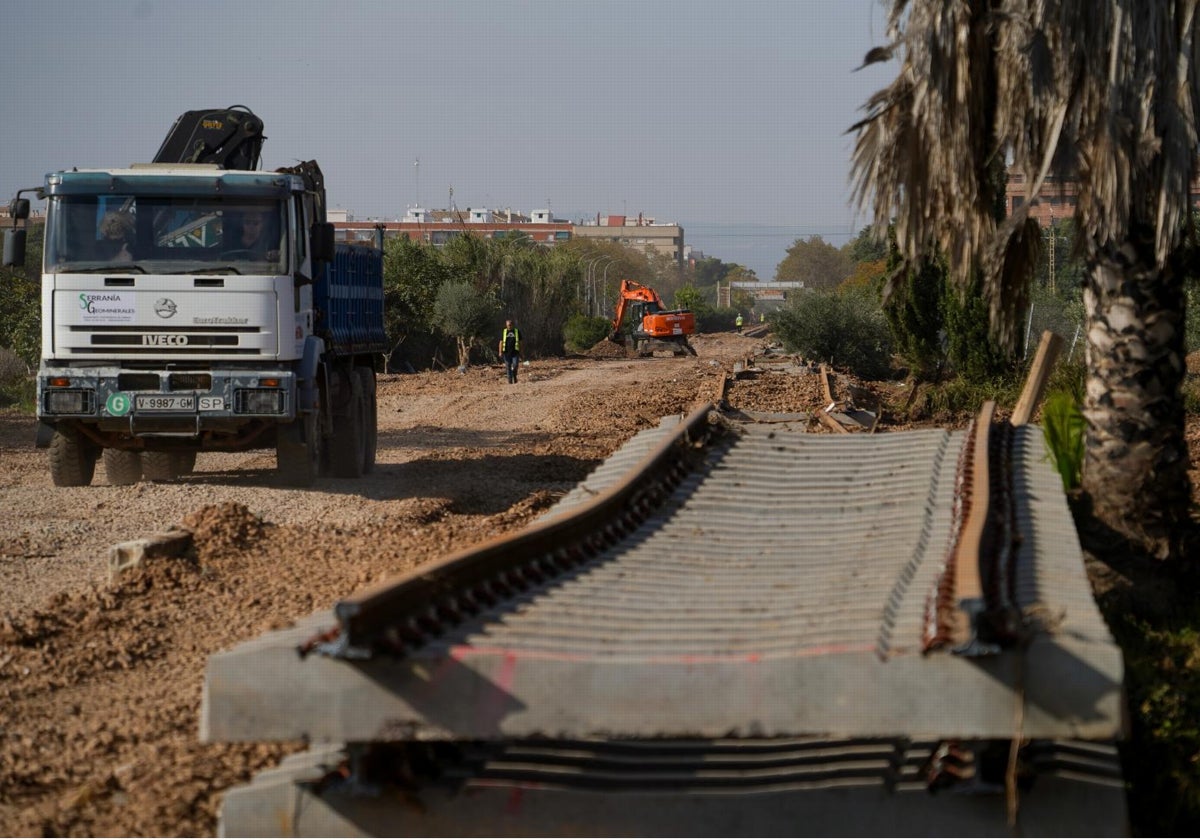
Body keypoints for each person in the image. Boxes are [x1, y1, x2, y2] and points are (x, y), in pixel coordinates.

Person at [499, 319, 521, 384]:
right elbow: (501, 342)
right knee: (508, 366)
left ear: (513, 325)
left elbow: (521, 342)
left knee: (515, 365)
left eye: (510, 325)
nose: (509, 326)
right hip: (506, 353)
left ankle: (514, 376)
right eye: (508, 325)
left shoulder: (517, 331)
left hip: (515, 352)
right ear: (506, 325)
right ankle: (510, 381)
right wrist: (500, 352)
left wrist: (522, 351)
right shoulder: (504, 332)